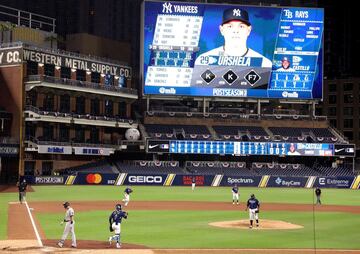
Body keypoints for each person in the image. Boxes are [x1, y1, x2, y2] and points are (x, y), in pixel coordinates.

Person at [195, 8, 272, 67]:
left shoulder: (264, 64)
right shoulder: (204, 60)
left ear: (249, 30)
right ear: (222, 30)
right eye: (230, 26)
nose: (235, 31)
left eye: (241, 26)